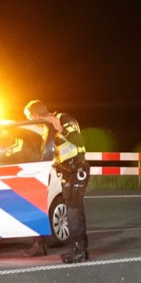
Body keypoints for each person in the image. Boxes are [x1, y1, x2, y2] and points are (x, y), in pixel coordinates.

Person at [23, 99, 90, 263]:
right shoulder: (48, 129)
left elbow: (79, 141)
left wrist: (60, 128)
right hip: (68, 171)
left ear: (38, 115)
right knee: (75, 211)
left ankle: (78, 252)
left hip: (77, 169)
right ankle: (80, 249)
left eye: (32, 119)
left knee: (73, 212)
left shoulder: (64, 119)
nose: (34, 123)